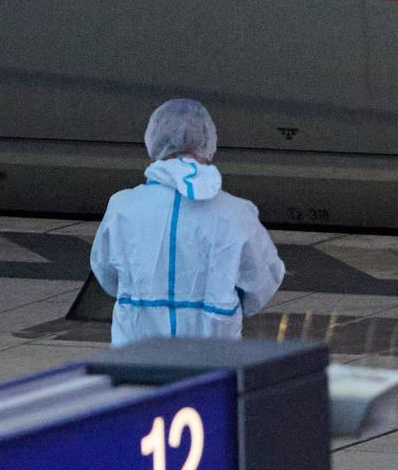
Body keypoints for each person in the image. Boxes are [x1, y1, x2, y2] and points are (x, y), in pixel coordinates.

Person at [91, 99, 285, 346]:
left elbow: (106, 274)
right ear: (209, 142)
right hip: (213, 357)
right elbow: (262, 280)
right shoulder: (236, 212)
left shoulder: (123, 207)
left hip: (136, 354)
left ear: (154, 139)